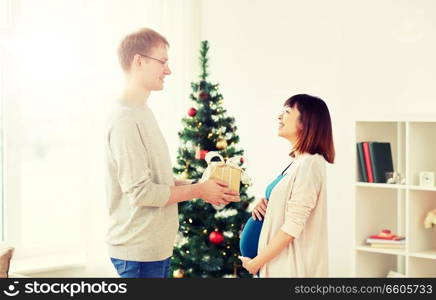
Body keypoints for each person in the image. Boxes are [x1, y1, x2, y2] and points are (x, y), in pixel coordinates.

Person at [105, 28, 240, 278]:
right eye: (163, 62)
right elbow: (141, 192)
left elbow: (157, 182)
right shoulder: (125, 118)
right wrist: (199, 190)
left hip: (154, 250)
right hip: (136, 255)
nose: (168, 70)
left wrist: (203, 185)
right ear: (139, 61)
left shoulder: (142, 111)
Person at [239, 94, 334, 277]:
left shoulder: (310, 164)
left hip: (287, 267)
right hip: (273, 265)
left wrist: (256, 263)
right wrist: (267, 204)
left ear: (305, 123)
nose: (279, 117)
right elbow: (286, 209)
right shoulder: (297, 162)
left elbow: (293, 226)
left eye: (287, 112)